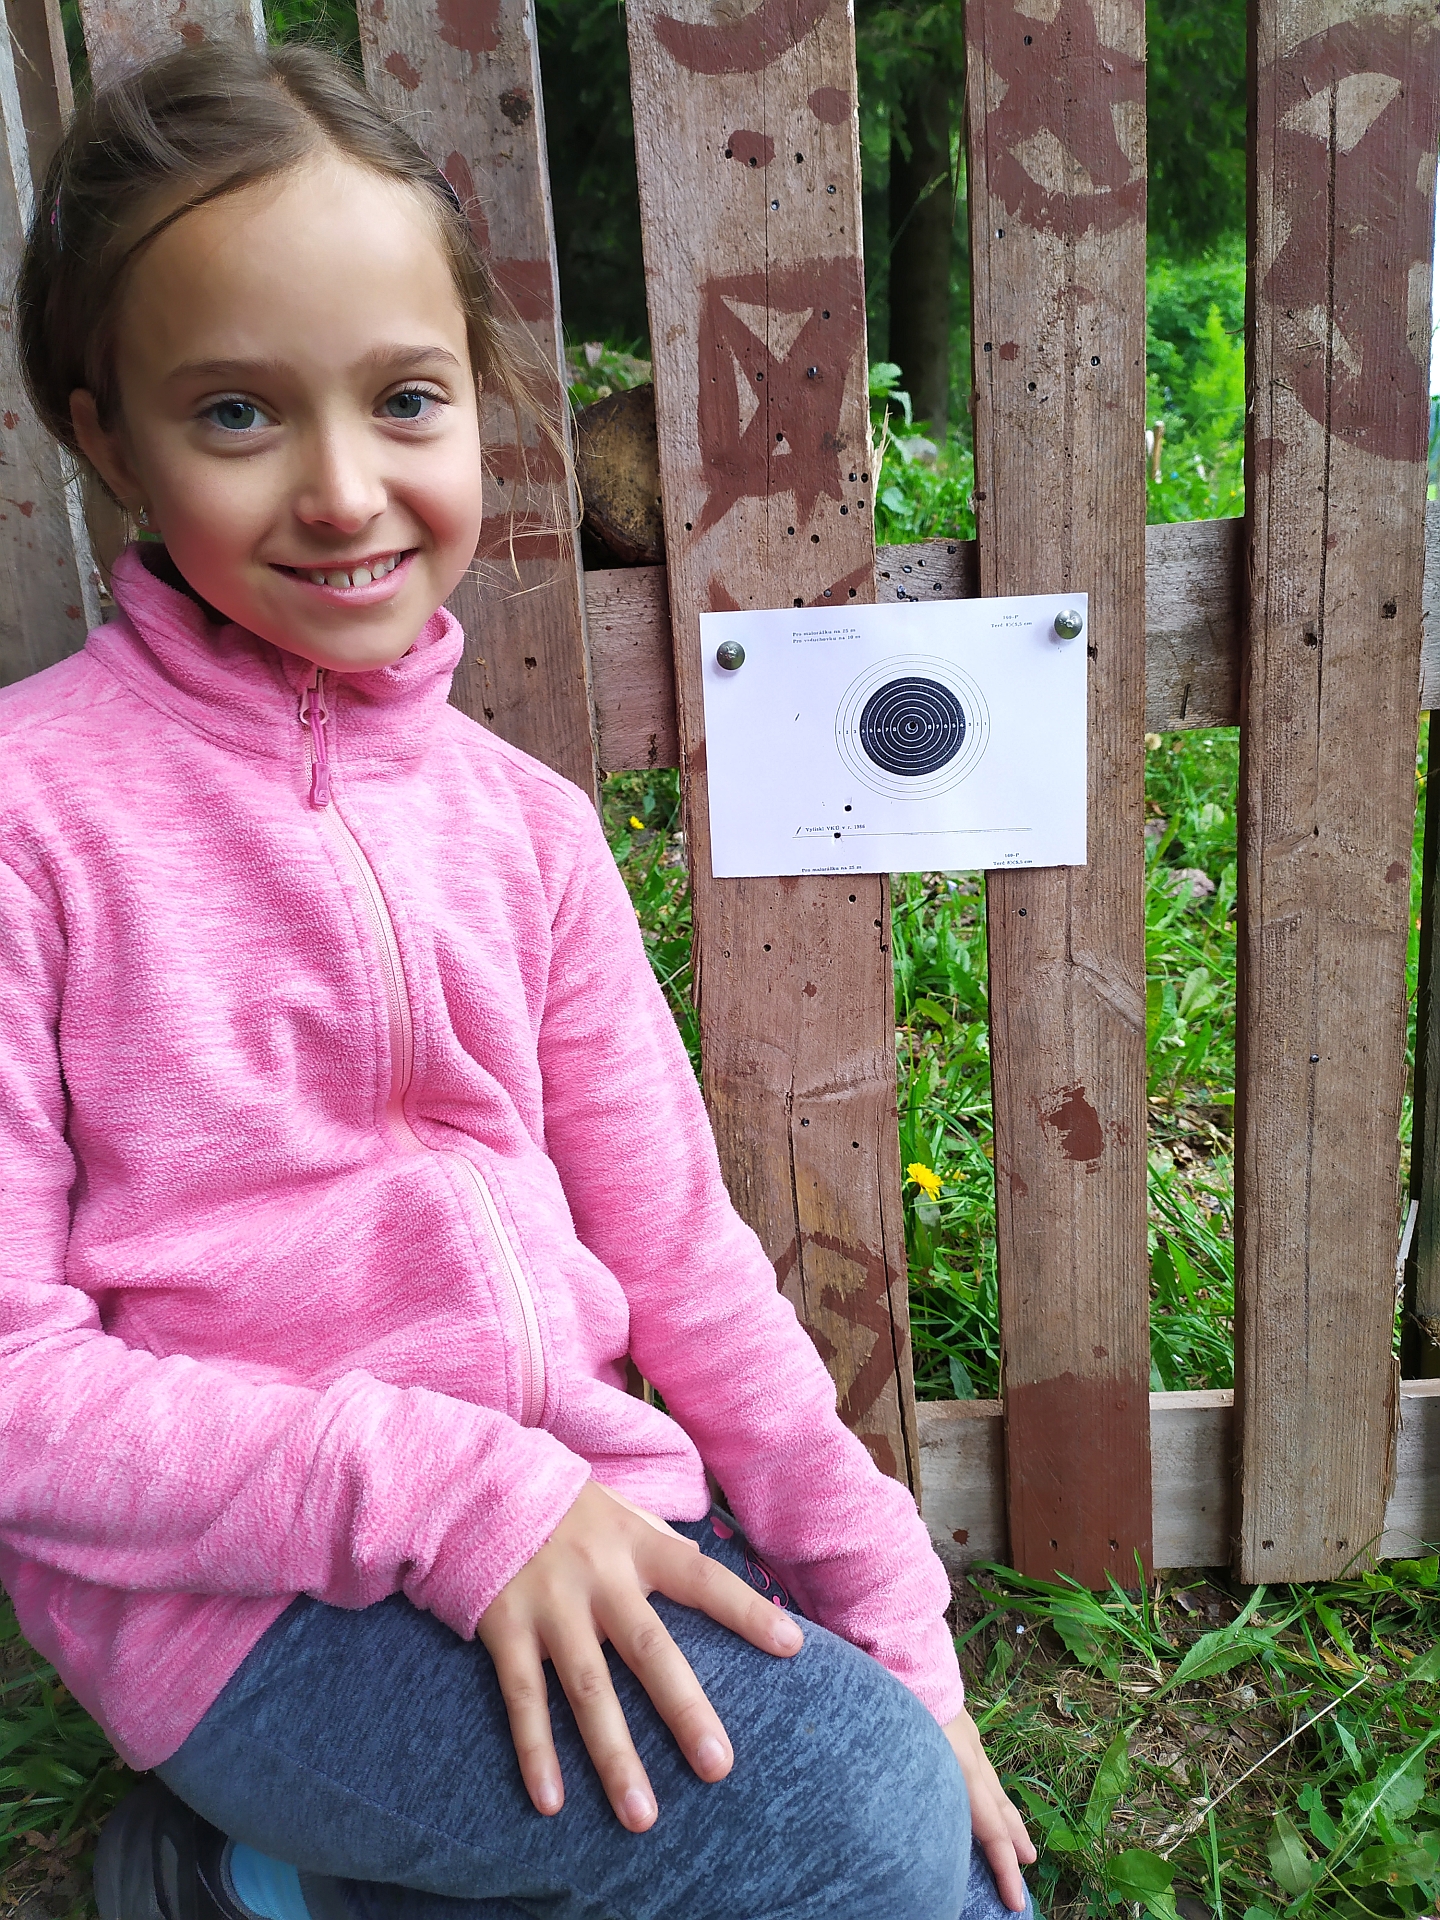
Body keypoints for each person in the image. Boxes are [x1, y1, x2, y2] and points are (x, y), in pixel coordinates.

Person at [0, 41, 1037, 1920]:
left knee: (931, 1834)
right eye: (235, 413)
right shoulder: (28, 817)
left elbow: (687, 1269)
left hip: (594, 1502)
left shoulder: (529, 831)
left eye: (405, 399)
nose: (343, 491)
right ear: (110, 440)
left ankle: (272, 1892)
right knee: (859, 1832)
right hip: (252, 1608)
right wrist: (449, 1494)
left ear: (477, 405)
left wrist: (903, 1635)